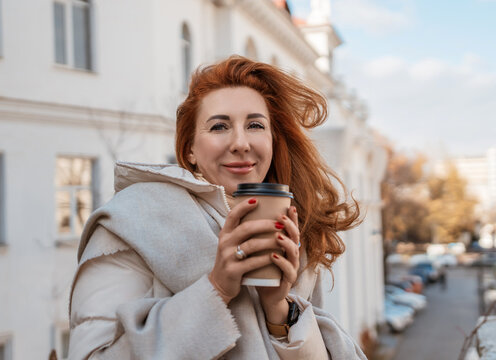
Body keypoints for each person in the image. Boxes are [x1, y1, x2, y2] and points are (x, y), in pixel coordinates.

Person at [68, 56, 366, 359]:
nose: (240, 143)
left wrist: (279, 311)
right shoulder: (132, 222)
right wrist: (217, 288)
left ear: (272, 141)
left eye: (255, 125)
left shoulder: (292, 229)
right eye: (219, 126)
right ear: (190, 150)